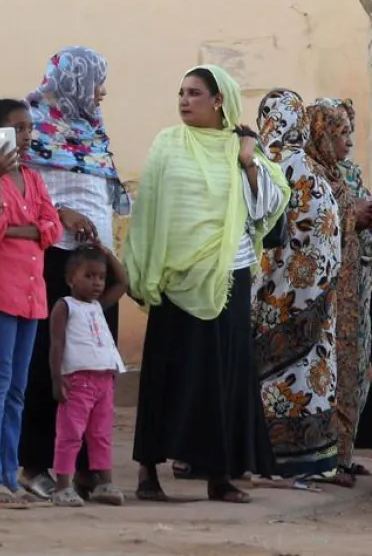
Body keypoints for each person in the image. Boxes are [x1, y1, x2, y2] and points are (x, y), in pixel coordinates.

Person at [124, 66, 288, 504]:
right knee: (166, 374)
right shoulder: (167, 145)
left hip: (227, 276)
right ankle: (148, 473)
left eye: (194, 93)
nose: (184, 100)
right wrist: (142, 269)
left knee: (222, 376)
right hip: (175, 277)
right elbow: (149, 212)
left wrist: (248, 160)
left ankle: (220, 476)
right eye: (180, 92)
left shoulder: (240, 149)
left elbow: (265, 211)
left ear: (220, 101)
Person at [17, 47, 130, 500]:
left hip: (96, 265)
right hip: (51, 261)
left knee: (95, 367)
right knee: (51, 362)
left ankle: (88, 470)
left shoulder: (93, 127)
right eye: (97, 83)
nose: (102, 93)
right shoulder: (25, 121)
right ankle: (35, 465)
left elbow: (100, 193)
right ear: (75, 82)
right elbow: (10, 185)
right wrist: (59, 212)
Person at [0, 98, 63, 509]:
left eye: (28, 129)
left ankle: (6, 474)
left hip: (29, 293)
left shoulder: (34, 180)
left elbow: (52, 228)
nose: (25, 136)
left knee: (17, 389)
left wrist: (20, 230)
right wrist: (23, 225)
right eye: (17, 129)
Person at [251, 89, 342, 484]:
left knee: (276, 380)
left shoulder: (264, 166)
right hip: (316, 300)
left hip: (276, 299)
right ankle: (310, 459)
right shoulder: (310, 171)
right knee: (308, 376)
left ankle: (271, 457)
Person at [307, 98, 367, 482]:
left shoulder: (346, 172)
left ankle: (343, 454)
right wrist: (352, 215)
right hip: (326, 288)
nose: (348, 140)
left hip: (354, 285)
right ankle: (325, 458)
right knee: (327, 372)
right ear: (321, 133)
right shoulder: (309, 174)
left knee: (354, 367)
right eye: (340, 132)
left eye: (350, 132)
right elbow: (311, 226)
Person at [48, 246, 129, 507]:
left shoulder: (98, 305)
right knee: (70, 434)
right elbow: (56, 345)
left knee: (101, 434)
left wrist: (106, 252)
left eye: (101, 277)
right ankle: (62, 486)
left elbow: (124, 281)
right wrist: (57, 378)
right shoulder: (65, 307)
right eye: (89, 276)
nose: (97, 282)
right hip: (78, 382)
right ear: (71, 278)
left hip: (104, 380)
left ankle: (104, 483)